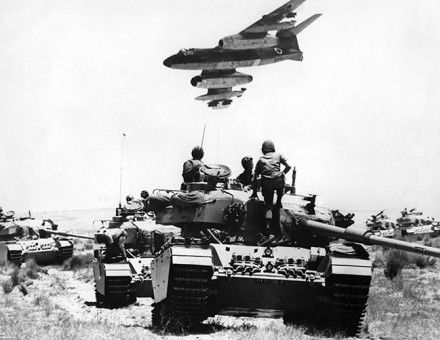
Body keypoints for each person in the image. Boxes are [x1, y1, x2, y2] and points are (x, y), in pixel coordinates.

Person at [251, 140, 292, 234]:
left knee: (268, 206)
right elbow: (288, 166)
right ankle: (278, 201)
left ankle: (267, 227)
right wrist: (282, 173)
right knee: (281, 180)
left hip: (267, 182)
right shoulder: (278, 155)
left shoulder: (261, 159)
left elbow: (255, 176)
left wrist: (254, 192)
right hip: (278, 181)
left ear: (263, 150)